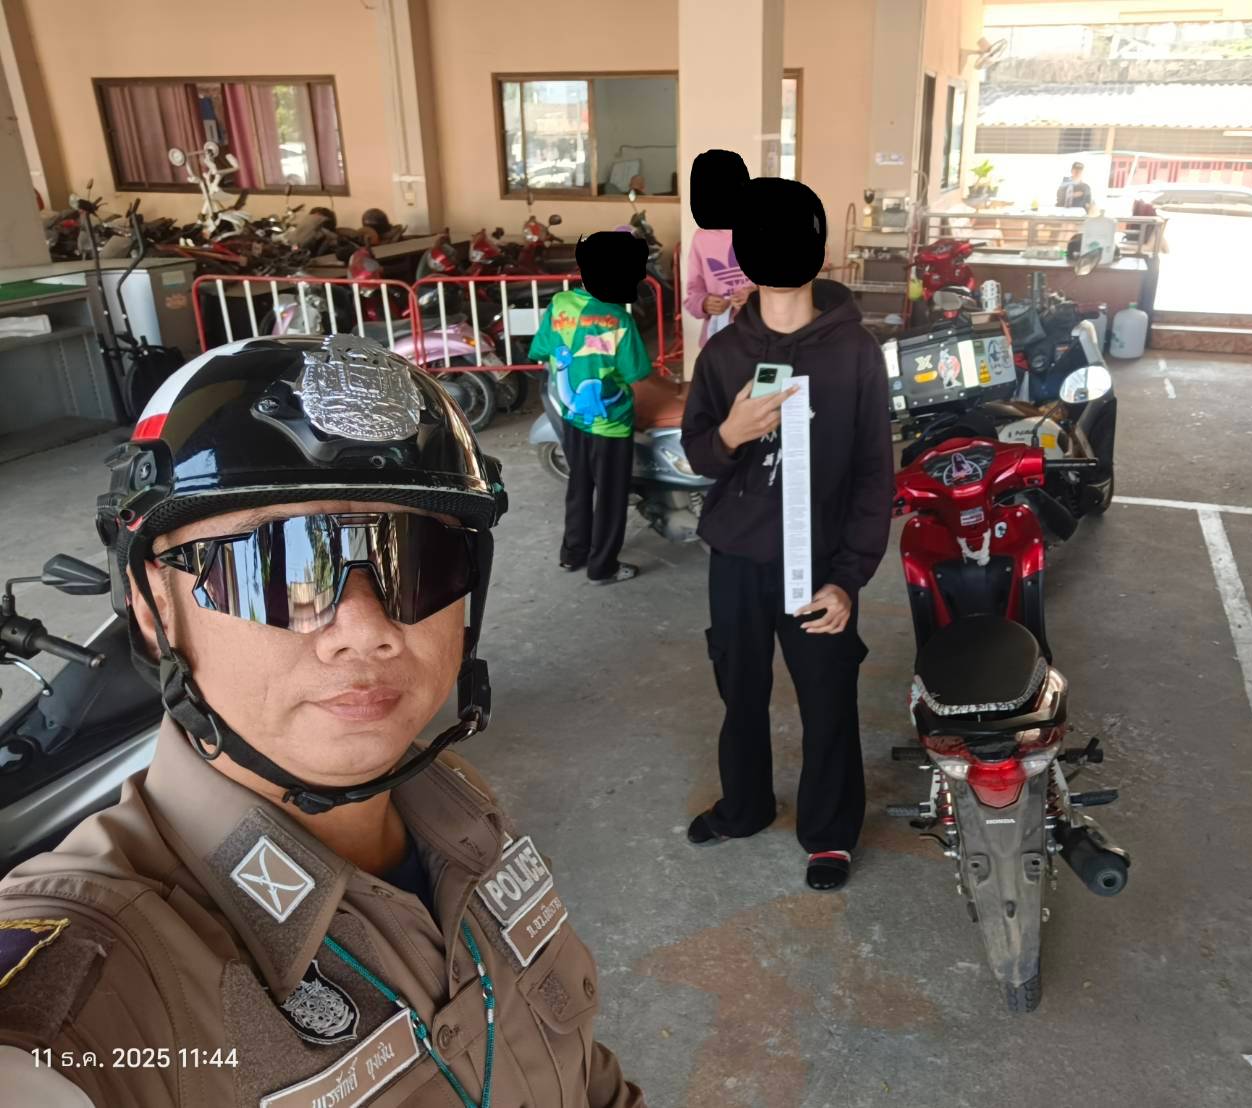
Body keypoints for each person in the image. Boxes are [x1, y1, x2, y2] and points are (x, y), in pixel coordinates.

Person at [0, 334, 646, 1108]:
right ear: (152, 606)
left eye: (419, 560)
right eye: (280, 569)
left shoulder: (457, 804)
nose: (366, 631)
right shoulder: (96, 972)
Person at [680, 150, 894, 893]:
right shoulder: (724, 353)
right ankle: (743, 806)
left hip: (819, 562)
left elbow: (873, 474)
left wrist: (848, 578)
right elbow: (698, 454)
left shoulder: (856, 353)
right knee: (739, 690)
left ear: (818, 251)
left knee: (826, 696)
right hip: (737, 559)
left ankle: (828, 831)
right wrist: (731, 433)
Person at [528, 231, 651, 584]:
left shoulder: (560, 304)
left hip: (572, 419)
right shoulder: (619, 321)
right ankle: (603, 567)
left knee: (579, 485)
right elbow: (637, 373)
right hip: (612, 424)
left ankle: (573, 553)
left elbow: (540, 350)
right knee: (611, 496)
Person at [684, 225, 755, 349]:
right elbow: (693, 295)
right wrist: (704, 303)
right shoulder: (701, 237)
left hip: (760, 340)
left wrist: (759, 294)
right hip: (718, 342)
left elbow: (789, 290)